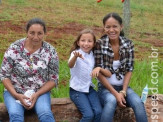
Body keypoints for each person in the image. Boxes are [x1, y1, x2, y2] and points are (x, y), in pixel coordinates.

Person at [0, 18, 58, 122]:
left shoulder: (50, 51)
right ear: (27, 32)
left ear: (45, 33)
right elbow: (4, 75)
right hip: (15, 91)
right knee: (15, 115)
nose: (36, 37)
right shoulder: (14, 48)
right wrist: (15, 94)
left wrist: (37, 94)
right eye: (32, 33)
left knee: (45, 113)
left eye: (40, 33)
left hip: (40, 92)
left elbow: (53, 79)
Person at [93, 12, 148, 122]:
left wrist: (123, 91)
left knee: (138, 102)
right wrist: (115, 94)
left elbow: (129, 69)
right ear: (104, 28)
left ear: (121, 27)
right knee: (111, 101)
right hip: (106, 89)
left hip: (124, 87)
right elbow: (97, 72)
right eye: (108, 27)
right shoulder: (99, 44)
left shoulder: (128, 44)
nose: (111, 30)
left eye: (115, 26)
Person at [68, 29, 112, 122]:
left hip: (89, 89)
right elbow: (70, 65)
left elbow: (107, 73)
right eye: (83, 40)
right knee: (88, 115)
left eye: (89, 41)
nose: (86, 44)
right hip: (77, 90)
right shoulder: (75, 53)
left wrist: (98, 69)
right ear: (78, 42)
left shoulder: (93, 55)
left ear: (94, 43)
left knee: (99, 112)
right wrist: (75, 57)